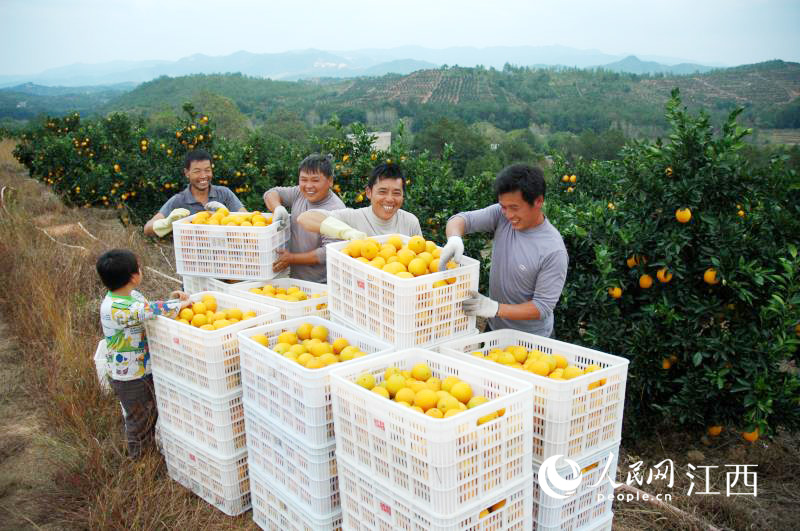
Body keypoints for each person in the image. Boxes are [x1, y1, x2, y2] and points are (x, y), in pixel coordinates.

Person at [440, 164, 568, 338]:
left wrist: (495, 308)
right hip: (495, 328)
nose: (508, 215)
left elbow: (542, 307)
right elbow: (461, 219)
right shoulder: (501, 215)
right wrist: (454, 238)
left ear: (538, 201)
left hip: (532, 340)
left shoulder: (553, 250)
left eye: (514, 208)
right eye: (503, 206)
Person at [96, 249, 190, 458]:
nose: (141, 270)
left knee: (149, 412)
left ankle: (148, 454)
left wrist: (172, 299)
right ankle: (139, 460)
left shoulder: (131, 296)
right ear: (133, 276)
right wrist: (179, 305)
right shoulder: (113, 308)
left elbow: (147, 309)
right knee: (139, 419)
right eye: (139, 267)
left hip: (142, 369)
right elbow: (147, 311)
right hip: (129, 377)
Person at [263, 154, 346, 283]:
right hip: (296, 282)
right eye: (304, 179)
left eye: (315, 180)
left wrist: (292, 258)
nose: (308, 186)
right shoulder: (299, 193)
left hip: (323, 285)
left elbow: (328, 252)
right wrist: (278, 208)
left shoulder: (336, 210)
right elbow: (271, 193)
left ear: (330, 181)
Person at [297, 162, 421, 241]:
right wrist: (345, 232)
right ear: (369, 192)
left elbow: (422, 260)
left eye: (396, 193)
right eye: (382, 192)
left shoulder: (410, 222)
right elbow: (305, 218)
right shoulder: (353, 218)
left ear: (403, 195)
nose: (389, 199)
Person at [143, 149, 246, 238]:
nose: (203, 176)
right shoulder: (178, 201)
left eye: (207, 170)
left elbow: (247, 220)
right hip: (192, 257)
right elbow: (147, 229)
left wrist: (226, 214)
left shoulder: (224, 194)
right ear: (187, 173)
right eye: (197, 171)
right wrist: (167, 223)